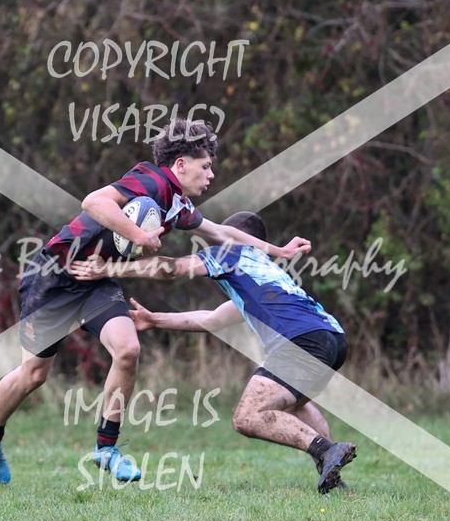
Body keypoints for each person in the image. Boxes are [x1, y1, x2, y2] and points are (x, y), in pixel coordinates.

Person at [0, 120, 312, 485]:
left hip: (96, 279)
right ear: (180, 164)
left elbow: (221, 232)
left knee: (128, 350)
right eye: (206, 165)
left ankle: (107, 448)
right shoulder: (150, 181)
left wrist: (278, 250)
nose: (211, 174)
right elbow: (94, 202)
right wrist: (139, 236)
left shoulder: (177, 204)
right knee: (34, 375)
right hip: (53, 277)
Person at [69, 211, 357, 494]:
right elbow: (213, 320)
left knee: (246, 417)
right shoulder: (263, 272)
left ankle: (326, 450)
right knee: (294, 404)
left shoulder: (230, 252)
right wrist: (154, 319)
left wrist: (110, 269)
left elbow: (172, 268)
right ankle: (333, 473)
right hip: (332, 338)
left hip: (302, 340)